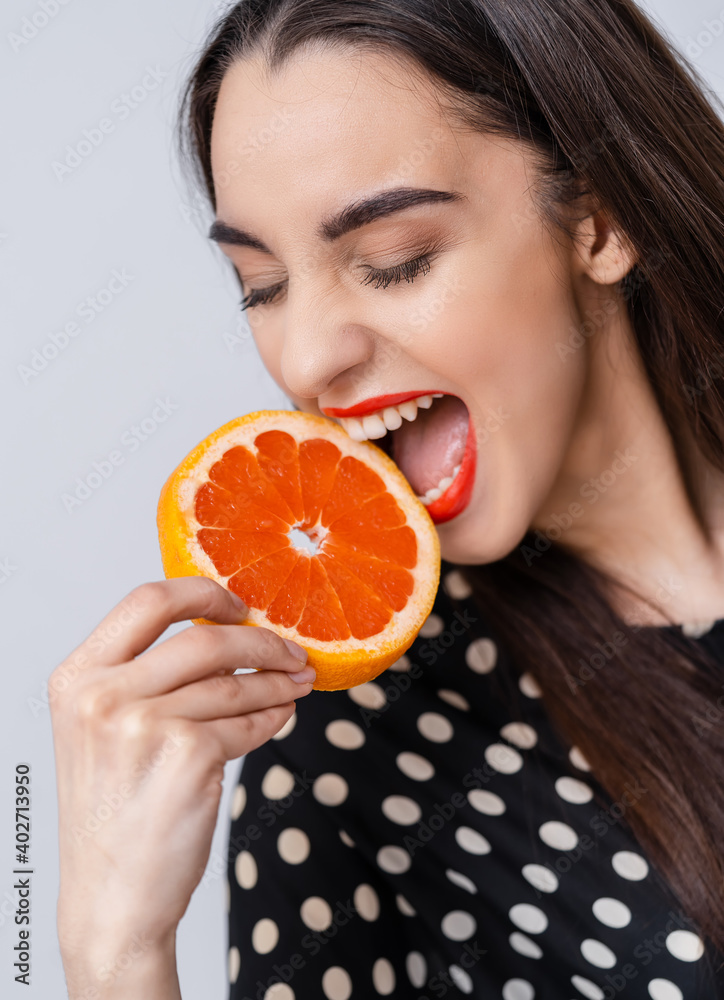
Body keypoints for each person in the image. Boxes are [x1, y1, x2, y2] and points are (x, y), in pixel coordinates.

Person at [50, 0, 724, 997]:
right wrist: (113, 949)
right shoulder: (352, 749)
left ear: (598, 218)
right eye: (263, 284)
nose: (309, 354)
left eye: (391, 259)